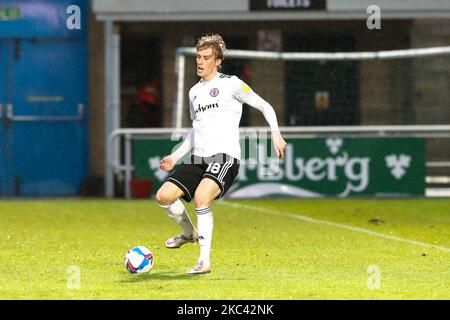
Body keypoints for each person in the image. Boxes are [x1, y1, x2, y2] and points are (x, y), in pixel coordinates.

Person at [155, 34, 286, 274]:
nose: (200, 62)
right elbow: (196, 130)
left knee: (202, 198)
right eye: (198, 57)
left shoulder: (232, 84)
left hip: (224, 157)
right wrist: (176, 156)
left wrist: (276, 134)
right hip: (199, 158)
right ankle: (188, 233)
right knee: (163, 196)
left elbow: (265, 105)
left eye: (206, 58)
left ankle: (204, 262)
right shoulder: (194, 92)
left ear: (218, 61)